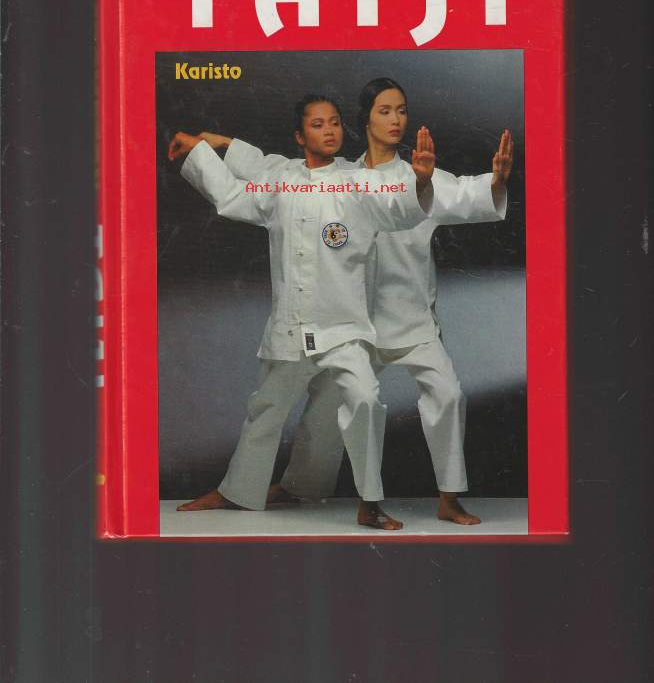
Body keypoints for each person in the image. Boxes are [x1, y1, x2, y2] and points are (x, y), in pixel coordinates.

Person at [205, 79, 513, 524]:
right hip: (351, 321)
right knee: (326, 410)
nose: (396, 120)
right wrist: (224, 146)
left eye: (402, 110)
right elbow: (277, 170)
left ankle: (448, 496)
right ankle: (302, 486)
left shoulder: (418, 175)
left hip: (408, 319)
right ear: (365, 119)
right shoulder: (342, 177)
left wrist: (494, 182)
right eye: (385, 111)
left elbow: (467, 194)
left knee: (446, 395)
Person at [167, 95, 436, 530]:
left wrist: (421, 183)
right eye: (317, 124)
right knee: (267, 409)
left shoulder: (357, 181)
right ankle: (239, 492)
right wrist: (203, 149)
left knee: (363, 402)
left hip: (343, 328)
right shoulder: (283, 180)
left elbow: (399, 210)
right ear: (300, 135)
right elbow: (237, 190)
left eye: (335, 123)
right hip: (293, 325)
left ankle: (367, 503)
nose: (329, 131)